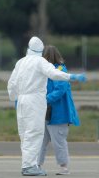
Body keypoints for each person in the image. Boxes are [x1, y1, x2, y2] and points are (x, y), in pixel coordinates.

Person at [7, 36, 86, 176]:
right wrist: (71, 77)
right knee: (35, 133)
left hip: (22, 100)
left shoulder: (20, 62)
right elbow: (54, 73)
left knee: (24, 134)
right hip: (35, 100)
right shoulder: (40, 61)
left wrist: (15, 98)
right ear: (40, 51)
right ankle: (29, 166)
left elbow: (12, 83)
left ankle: (27, 164)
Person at [38, 45, 80, 175]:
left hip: (58, 113)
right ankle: (36, 165)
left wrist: (43, 100)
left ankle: (64, 167)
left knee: (59, 142)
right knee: (40, 141)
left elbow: (60, 90)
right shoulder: (44, 70)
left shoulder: (60, 69)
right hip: (45, 112)